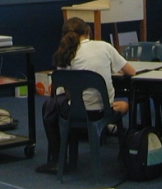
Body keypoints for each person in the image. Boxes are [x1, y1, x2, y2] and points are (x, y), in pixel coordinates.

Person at [36, 17, 137, 175]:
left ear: (64, 36)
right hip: (103, 111)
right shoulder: (105, 46)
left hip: (76, 111)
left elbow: (64, 88)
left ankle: (57, 160)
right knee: (117, 104)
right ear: (88, 31)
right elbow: (132, 72)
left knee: (50, 106)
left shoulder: (64, 54)